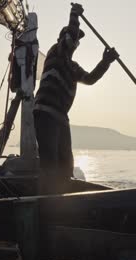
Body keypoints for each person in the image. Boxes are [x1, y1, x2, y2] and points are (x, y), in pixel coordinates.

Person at [34, 3, 119, 194]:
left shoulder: (73, 67)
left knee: (66, 164)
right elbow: (70, 36)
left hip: (60, 117)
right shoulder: (55, 52)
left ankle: (62, 202)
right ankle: (45, 204)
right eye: (73, 38)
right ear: (62, 39)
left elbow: (90, 79)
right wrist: (74, 15)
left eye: (77, 41)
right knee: (50, 163)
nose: (75, 42)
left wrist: (105, 61)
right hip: (46, 113)